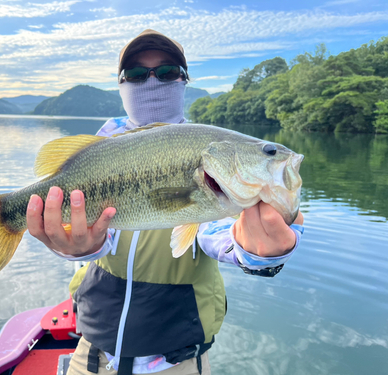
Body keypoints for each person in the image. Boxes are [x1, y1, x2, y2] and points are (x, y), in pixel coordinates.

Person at [27, 29, 304, 375]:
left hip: (177, 361)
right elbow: (95, 242)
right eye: (137, 74)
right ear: (121, 84)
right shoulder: (96, 151)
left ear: (184, 81)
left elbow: (224, 236)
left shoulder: (211, 167)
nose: (152, 81)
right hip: (93, 353)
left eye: (168, 71)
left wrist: (262, 252)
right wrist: (74, 246)